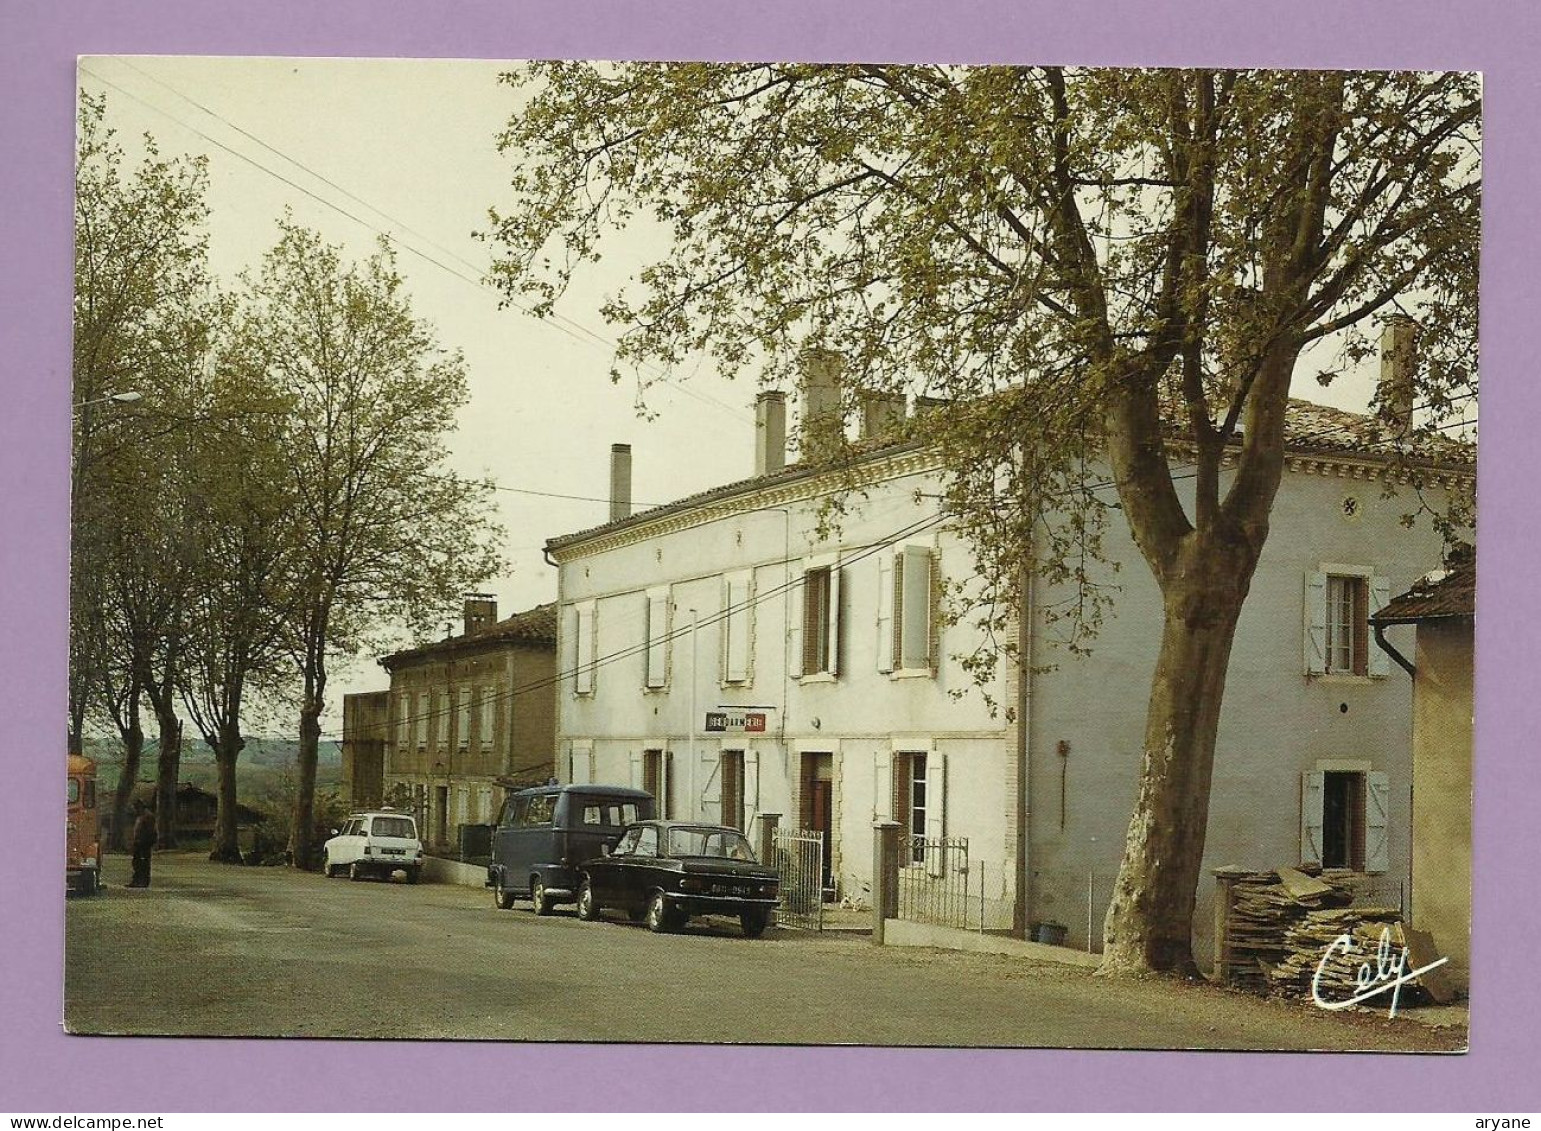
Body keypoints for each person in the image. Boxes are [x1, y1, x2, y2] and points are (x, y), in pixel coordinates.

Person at [128, 800, 156, 889]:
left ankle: (143, 881)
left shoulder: (148, 816)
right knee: (136, 862)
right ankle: (136, 880)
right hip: (139, 842)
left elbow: (149, 831)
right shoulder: (140, 816)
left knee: (144, 863)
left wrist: (142, 841)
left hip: (144, 843)